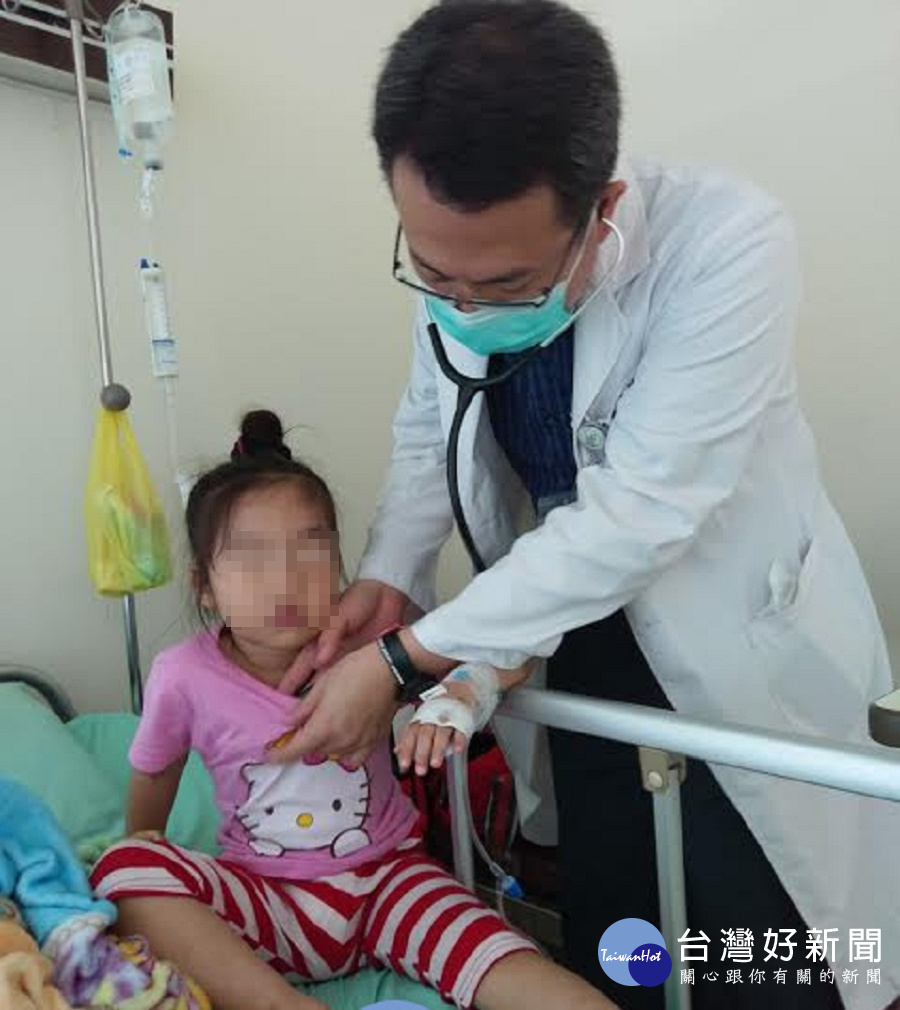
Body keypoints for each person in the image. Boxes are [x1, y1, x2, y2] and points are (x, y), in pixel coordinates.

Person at [272, 3, 900, 1010]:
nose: (461, 304)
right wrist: (391, 577)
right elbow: (428, 428)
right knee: (626, 928)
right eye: (432, 272)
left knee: (765, 947)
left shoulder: (728, 240)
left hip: (726, 634)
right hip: (562, 634)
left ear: (601, 210)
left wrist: (400, 661)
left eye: (504, 281)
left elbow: (642, 511)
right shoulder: (462, 260)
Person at [88, 410, 620, 1010]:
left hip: (391, 887)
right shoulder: (184, 674)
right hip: (264, 901)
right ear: (203, 586)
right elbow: (153, 778)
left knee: (508, 960)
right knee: (121, 867)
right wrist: (151, 867)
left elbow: (508, 651)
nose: (286, 581)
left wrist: (465, 691)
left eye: (310, 552)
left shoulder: (374, 648)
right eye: (253, 559)